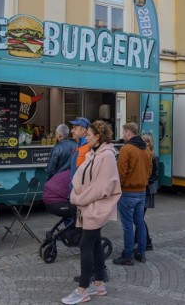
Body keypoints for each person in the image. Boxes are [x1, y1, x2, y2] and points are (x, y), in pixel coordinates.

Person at [62, 120, 121, 305]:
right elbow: (79, 177)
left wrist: (79, 198)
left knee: (85, 245)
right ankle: (99, 284)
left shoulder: (107, 156)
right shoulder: (92, 154)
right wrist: (75, 194)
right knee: (94, 244)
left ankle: (83, 289)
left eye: (89, 134)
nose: (86, 136)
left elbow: (103, 187)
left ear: (98, 136)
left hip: (95, 209)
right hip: (88, 207)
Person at [112, 122, 151, 266]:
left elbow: (120, 172)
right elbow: (149, 169)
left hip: (128, 192)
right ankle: (141, 252)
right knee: (139, 223)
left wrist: (117, 187)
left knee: (128, 225)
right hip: (141, 191)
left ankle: (127, 255)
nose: (123, 136)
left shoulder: (126, 149)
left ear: (128, 133)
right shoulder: (146, 149)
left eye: (123, 133)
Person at [135, 133, 159, 252]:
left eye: (147, 141)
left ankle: (147, 242)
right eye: (143, 141)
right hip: (143, 189)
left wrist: (145, 181)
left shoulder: (153, 156)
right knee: (138, 217)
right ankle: (139, 240)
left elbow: (155, 175)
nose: (145, 144)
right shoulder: (142, 155)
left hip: (147, 191)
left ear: (150, 143)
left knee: (139, 218)